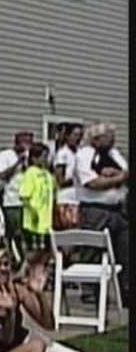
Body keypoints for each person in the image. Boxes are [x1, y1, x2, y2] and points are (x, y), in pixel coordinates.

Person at [10, 250, 126, 352]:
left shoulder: (17, 290)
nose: (6, 271)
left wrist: (39, 293)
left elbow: (48, 324)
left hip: (33, 342)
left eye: (7, 266)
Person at [73, 122, 129, 295]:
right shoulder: (84, 155)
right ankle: (90, 290)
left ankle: (125, 289)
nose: (113, 139)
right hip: (94, 210)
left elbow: (127, 174)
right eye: (108, 135)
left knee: (125, 249)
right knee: (92, 250)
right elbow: (92, 183)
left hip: (118, 210)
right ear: (96, 139)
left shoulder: (115, 154)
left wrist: (114, 174)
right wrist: (118, 178)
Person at [0, 131, 33, 255]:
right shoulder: (5, 155)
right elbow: (3, 176)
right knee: (13, 233)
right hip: (12, 201)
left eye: (29, 142)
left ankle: (24, 258)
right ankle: (11, 256)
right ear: (16, 142)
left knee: (27, 233)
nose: (27, 146)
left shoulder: (30, 156)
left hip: (28, 201)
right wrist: (18, 162)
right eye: (25, 142)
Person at [17, 143, 56, 252]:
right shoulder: (30, 173)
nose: (46, 159)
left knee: (45, 251)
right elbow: (24, 196)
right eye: (43, 156)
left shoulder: (47, 174)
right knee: (34, 252)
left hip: (46, 221)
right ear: (34, 158)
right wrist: (33, 212)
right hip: (33, 222)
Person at [52, 122, 83, 229]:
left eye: (80, 135)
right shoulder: (62, 153)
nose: (78, 138)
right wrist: (76, 178)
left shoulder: (81, 153)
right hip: (66, 199)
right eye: (75, 135)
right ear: (67, 136)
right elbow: (60, 180)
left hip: (79, 198)